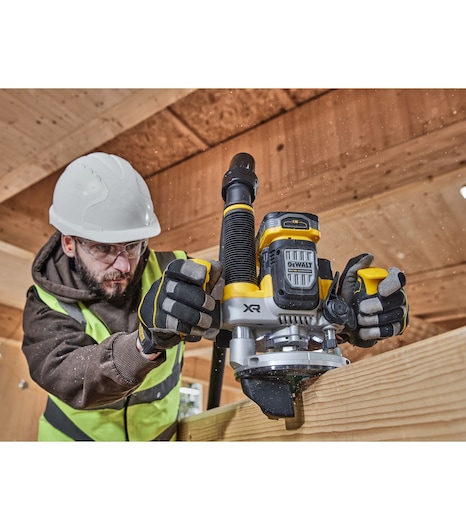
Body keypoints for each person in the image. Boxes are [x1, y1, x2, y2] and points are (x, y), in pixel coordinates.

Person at [22, 152, 408, 442]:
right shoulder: (44, 303)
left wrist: (337, 318)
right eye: (105, 249)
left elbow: (251, 309)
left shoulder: (175, 269)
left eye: (134, 245)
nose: (124, 264)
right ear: (69, 242)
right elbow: (73, 377)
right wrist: (144, 341)